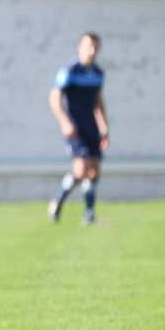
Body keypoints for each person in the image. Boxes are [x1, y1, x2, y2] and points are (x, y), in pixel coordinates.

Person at [47, 32, 110, 225]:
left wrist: (103, 126)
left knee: (95, 170)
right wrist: (64, 122)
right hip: (75, 127)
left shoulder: (98, 73)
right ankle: (57, 200)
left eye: (95, 46)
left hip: (91, 126)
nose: (92, 50)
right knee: (81, 168)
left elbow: (98, 102)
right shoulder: (70, 71)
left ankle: (89, 214)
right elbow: (55, 98)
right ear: (79, 47)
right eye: (88, 45)